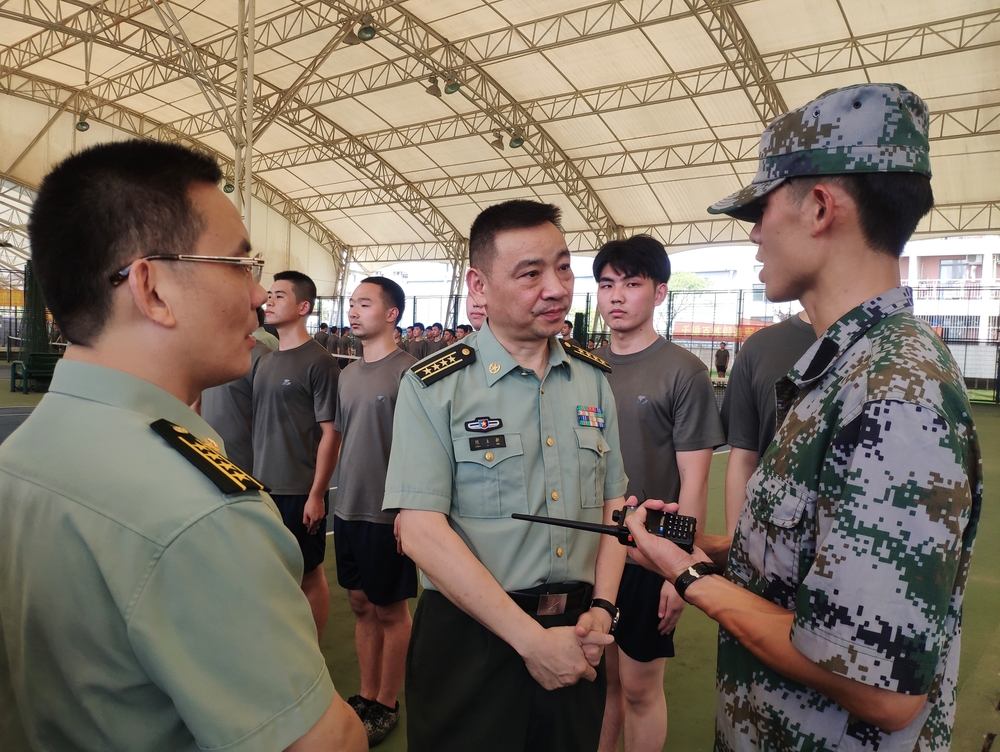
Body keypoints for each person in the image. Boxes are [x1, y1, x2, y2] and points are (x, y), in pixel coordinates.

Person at [623, 83, 982, 752]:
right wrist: (694, 552)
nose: (756, 232)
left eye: (762, 209)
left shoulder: (894, 390)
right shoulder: (843, 369)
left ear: (820, 207)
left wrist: (692, 580)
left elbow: (881, 689)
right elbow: (817, 568)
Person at [0, 139, 365, 751]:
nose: (257, 295)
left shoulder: (21, 458)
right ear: (153, 288)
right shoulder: (199, 512)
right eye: (239, 265)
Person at [384, 199, 629, 752]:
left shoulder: (593, 382)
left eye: (563, 267)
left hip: (578, 632)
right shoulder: (435, 386)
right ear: (479, 284)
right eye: (530, 273)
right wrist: (531, 643)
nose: (556, 288)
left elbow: (615, 506)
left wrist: (602, 610)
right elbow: (420, 529)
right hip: (474, 636)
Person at [592, 235, 724, 752]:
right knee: (602, 677)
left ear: (660, 292)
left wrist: (681, 569)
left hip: (651, 555)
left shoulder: (683, 371)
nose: (617, 296)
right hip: (593, 548)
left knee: (640, 687)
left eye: (632, 283)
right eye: (606, 284)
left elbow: (695, 479)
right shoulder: (581, 366)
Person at [333, 277, 418, 746]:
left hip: (387, 515)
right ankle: (366, 695)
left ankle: (388, 701)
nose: (353, 311)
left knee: (390, 610)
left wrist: (410, 509)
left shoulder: (410, 372)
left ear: (391, 314)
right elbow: (347, 440)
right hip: (348, 509)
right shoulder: (346, 375)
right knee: (361, 603)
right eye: (351, 303)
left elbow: (423, 449)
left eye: (364, 303)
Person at [254, 270, 341, 638]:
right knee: (272, 574)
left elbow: (331, 434)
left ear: (304, 307)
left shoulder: (319, 362)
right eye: (269, 295)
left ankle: (312, 653)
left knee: (308, 574)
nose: (269, 301)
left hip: (299, 491)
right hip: (263, 487)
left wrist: (316, 494)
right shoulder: (266, 360)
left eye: (279, 296)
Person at [720, 312, 816, 534]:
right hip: (768, 548)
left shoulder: (897, 346)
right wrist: (736, 552)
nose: (762, 275)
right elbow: (744, 455)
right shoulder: (759, 347)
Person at [200, 306, 273, 473]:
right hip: (210, 450)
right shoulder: (207, 350)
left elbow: (269, 415)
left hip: (243, 459)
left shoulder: (263, 354)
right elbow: (197, 401)